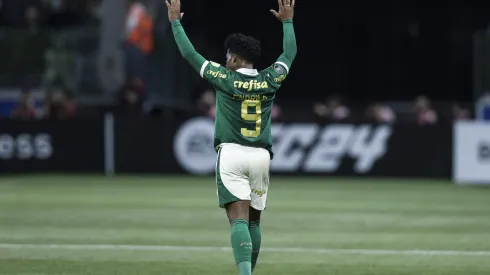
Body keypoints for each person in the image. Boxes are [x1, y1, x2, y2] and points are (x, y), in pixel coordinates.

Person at [165, 0, 297, 274]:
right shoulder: (270, 79)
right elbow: (290, 53)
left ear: (235, 59)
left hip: (232, 155)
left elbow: (189, 54)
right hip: (261, 157)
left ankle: (245, 273)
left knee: (238, 220)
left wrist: (175, 22)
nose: (226, 60)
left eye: (228, 56)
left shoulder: (224, 77)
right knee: (254, 223)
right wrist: (288, 22)